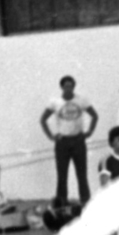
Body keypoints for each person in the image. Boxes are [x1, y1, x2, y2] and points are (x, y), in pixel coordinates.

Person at [41, 75, 98, 207]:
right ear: (61, 87)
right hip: (62, 142)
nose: (68, 88)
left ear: (74, 87)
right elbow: (43, 119)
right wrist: (51, 136)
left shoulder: (81, 100)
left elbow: (95, 116)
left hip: (78, 141)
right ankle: (62, 202)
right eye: (66, 86)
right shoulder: (55, 102)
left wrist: (89, 132)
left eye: (71, 86)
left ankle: (85, 201)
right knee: (62, 175)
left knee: (82, 174)